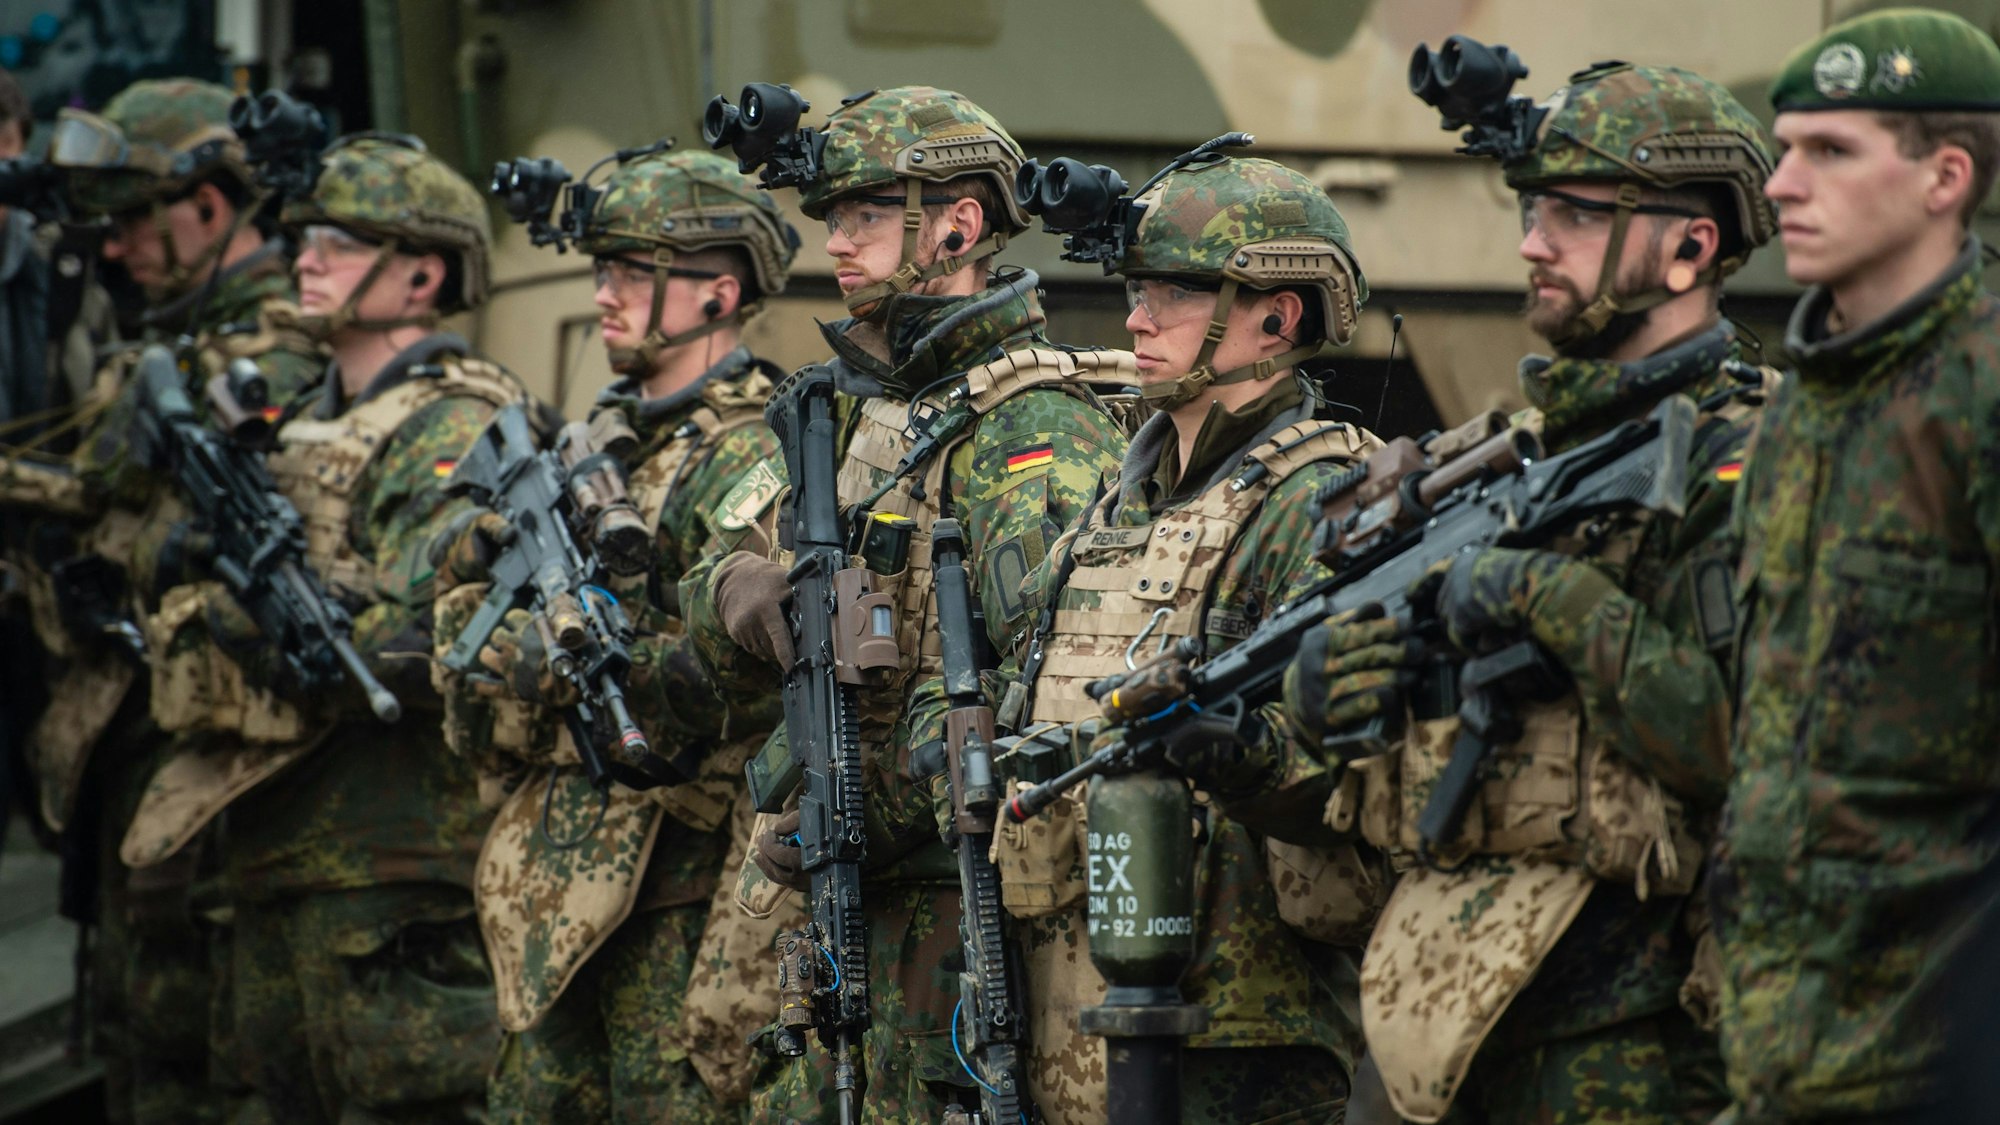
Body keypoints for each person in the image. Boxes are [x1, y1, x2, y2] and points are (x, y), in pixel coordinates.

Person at [1281, 59, 1778, 1123]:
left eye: (1572, 213)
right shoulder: (1506, 458)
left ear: (1690, 247)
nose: (1530, 241)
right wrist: (1334, 694)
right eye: (1528, 207)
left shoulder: (1744, 455)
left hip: (1639, 1037)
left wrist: (1541, 596)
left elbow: (1734, 742)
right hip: (1451, 1006)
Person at [678, 84, 1130, 1121]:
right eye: (833, 216)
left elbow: (1031, 707)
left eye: (866, 216)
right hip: (849, 910)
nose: (835, 241)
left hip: (949, 919)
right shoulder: (865, 414)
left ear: (957, 226)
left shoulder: (1035, 434)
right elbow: (727, 567)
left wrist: (859, 814)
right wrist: (740, 591)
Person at [965, 150, 1379, 1123]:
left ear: (1277, 316)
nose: (1137, 317)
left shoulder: (1319, 500)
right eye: (1137, 288)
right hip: (1066, 1019)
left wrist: (1211, 739)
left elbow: (1347, 772)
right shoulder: (1117, 502)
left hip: (1227, 1035)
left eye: (1177, 292)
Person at [120, 132, 525, 1123]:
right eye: (302, 239)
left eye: (339, 245)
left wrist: (242, 619)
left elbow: (428, 637)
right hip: (274, 844)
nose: (304, 259)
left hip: (390, 864)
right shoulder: (297, 408)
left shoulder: (452, 425)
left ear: (420, 273)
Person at [428, 146, 803, 1122]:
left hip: (672, 886)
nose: (604, 294)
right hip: (555, 874)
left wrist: (549, 663)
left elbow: (737, 677)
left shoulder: (751, 451)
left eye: (634, 272)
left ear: (717, 292)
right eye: (601, 270)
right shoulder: (601, 439)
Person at [0, 76, 320, 1125]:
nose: (116, 246)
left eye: (137, 218)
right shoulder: (177, 341)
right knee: (137, 1031)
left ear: (210, 207)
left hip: (212, 761)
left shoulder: (273, 352)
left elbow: (139, 508)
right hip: (140, 744)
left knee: (189, 1050)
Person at [1712, 9, 2000, 1120]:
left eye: (1828, 151)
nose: (1782, 184)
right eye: (1783, 148)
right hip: (1783, 1047)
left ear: (1942, 177)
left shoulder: (1975, 397)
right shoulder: (1804, 407)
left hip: (1939, 1059)